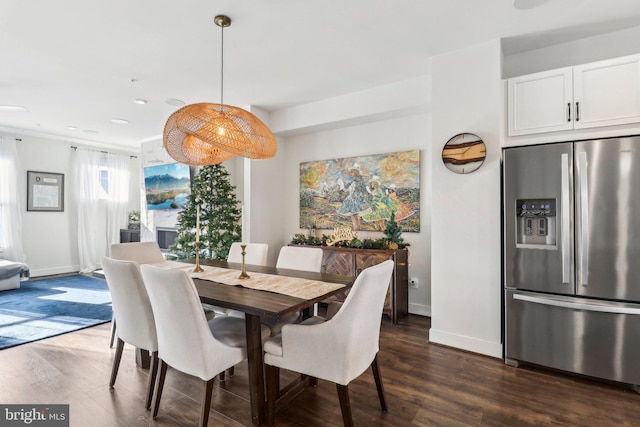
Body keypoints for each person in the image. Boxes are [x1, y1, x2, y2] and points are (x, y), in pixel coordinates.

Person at [336, 164, 371, 230]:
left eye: (351, 172)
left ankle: (357, 231)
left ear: (355, 172)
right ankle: (357, 231)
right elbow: (349, 190)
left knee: (355, 216)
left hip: (356, 200)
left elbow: (361, 190)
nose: (350, 173)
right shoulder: (354, 181)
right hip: (353, 199)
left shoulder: (358, 181)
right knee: (355, 217)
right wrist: (342, 188)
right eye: (350, 172)